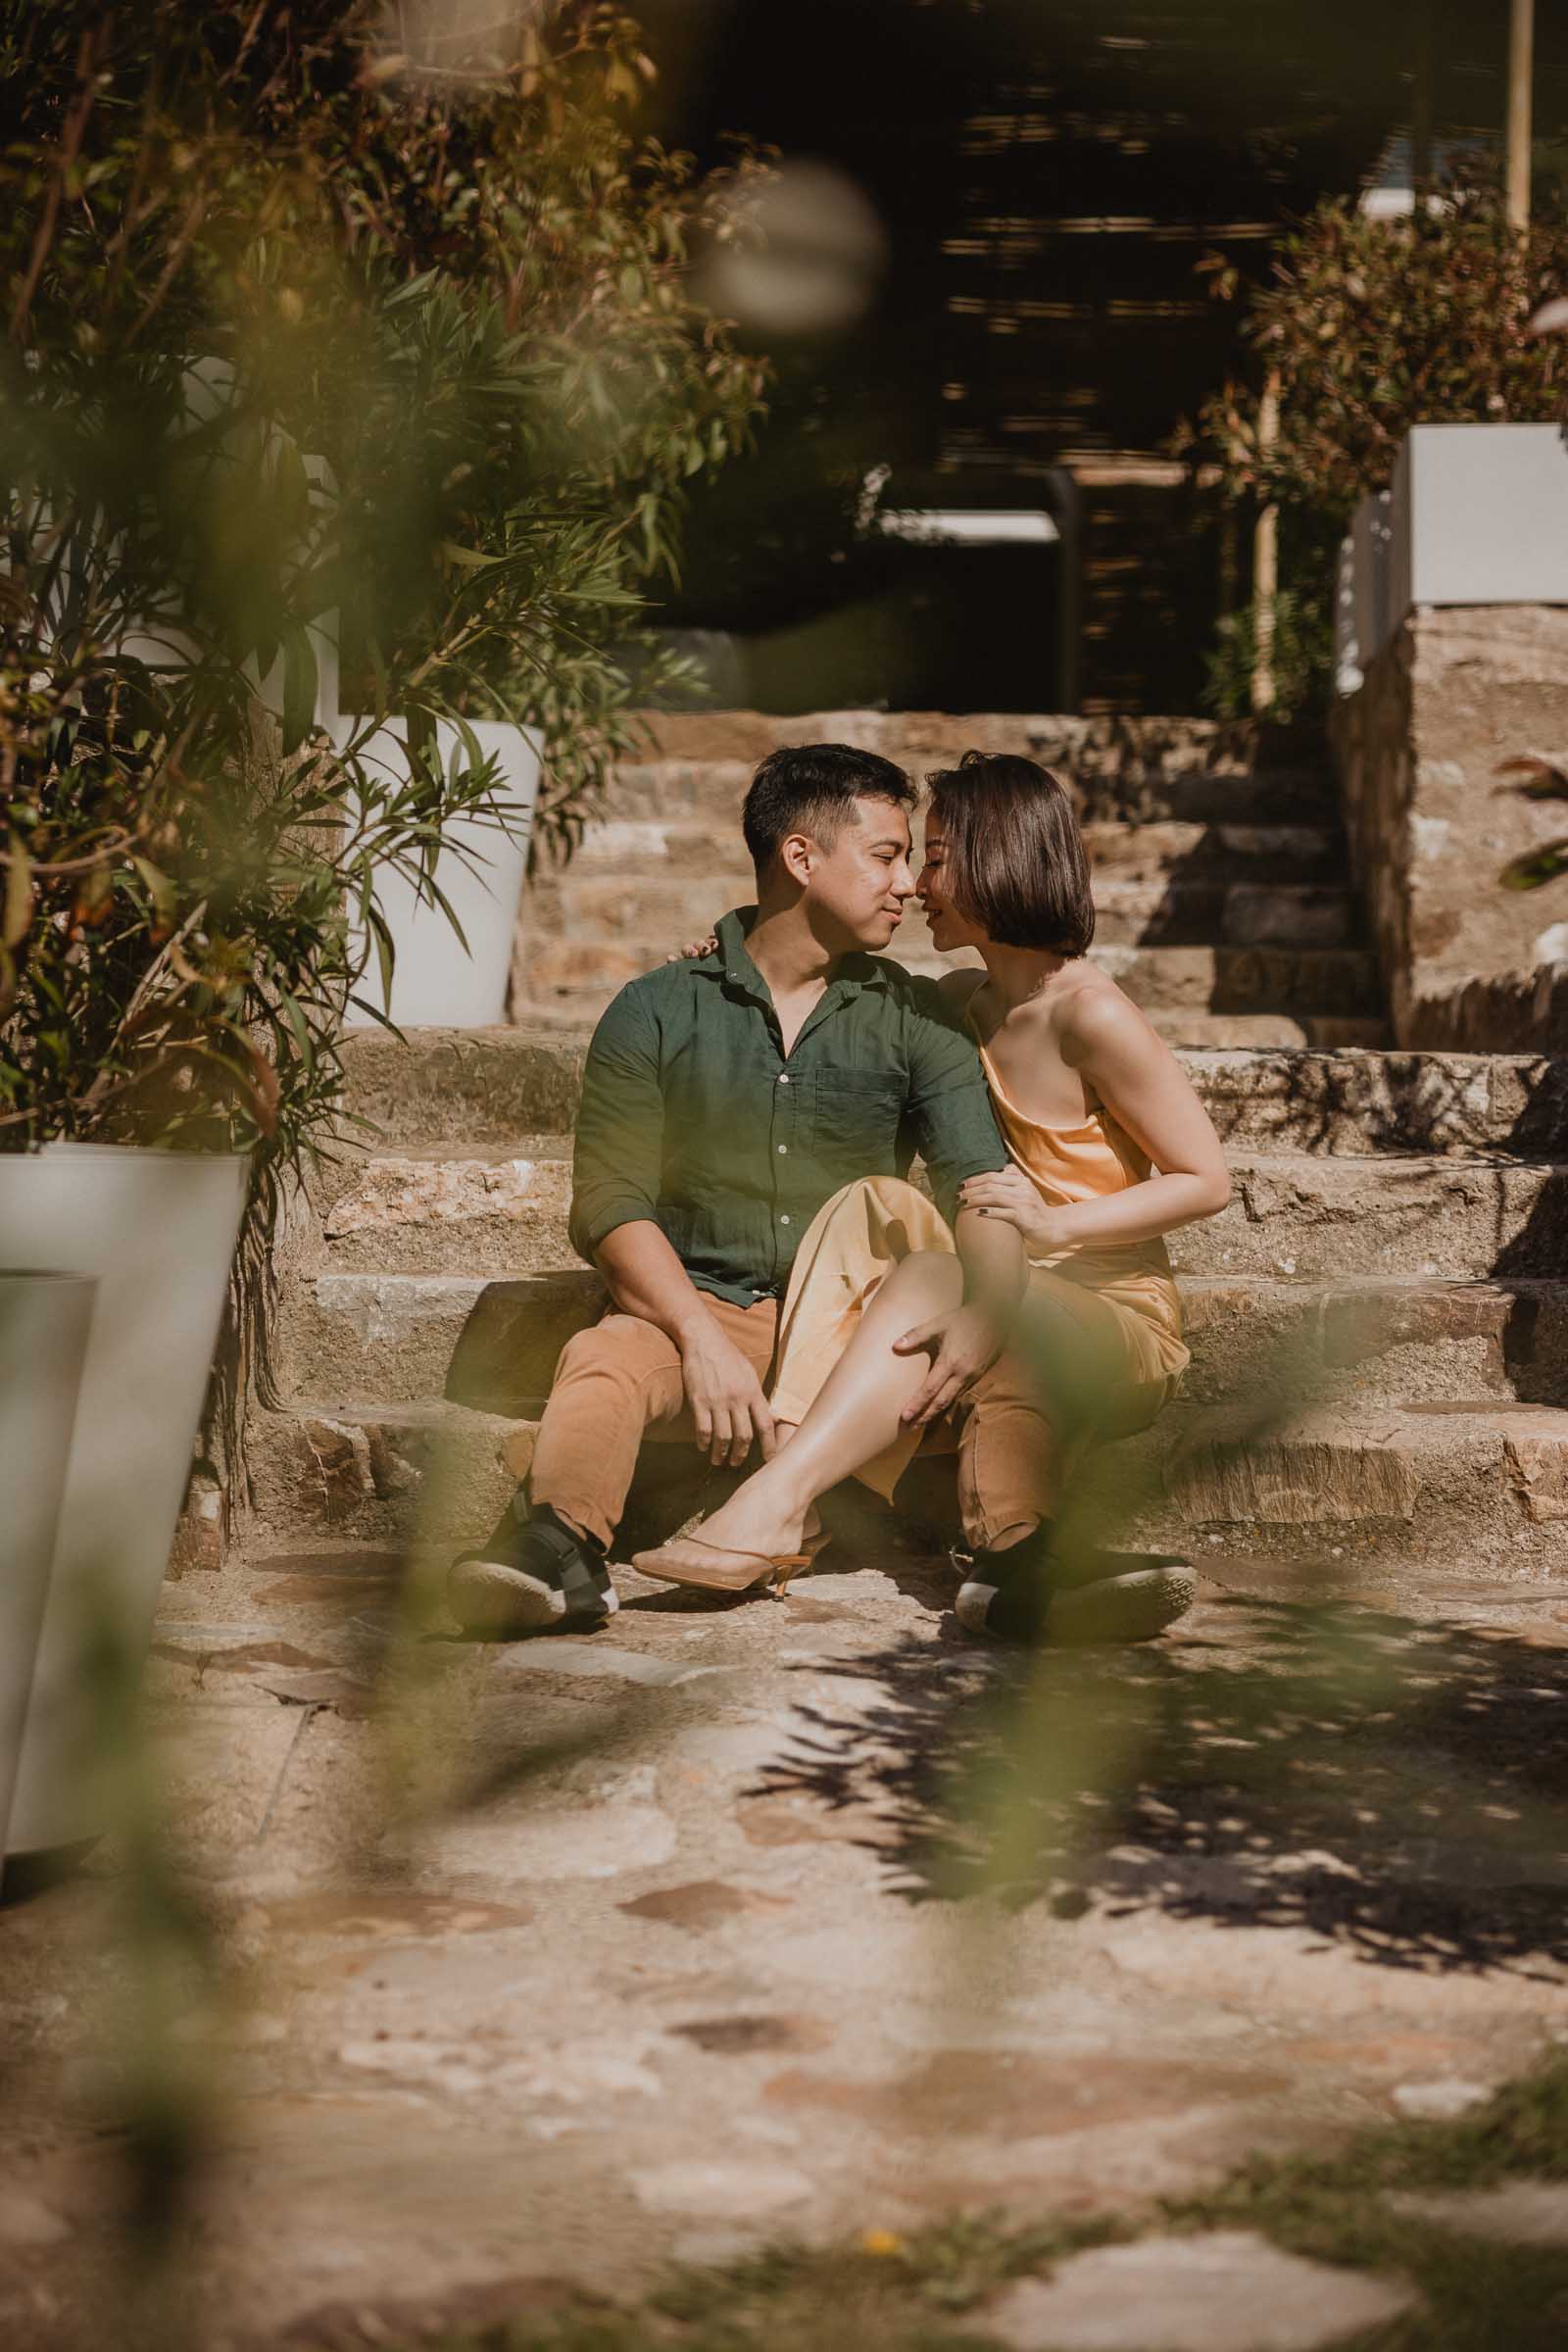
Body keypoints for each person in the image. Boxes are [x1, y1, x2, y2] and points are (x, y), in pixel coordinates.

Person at [632, 751, 1231, 1642]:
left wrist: (1052, 1220)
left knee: (940, 1276)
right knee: (878, 1205)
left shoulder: (1089, 1012)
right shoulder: (959, 1000)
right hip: (1003, 1290)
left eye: (939, 857)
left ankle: (778, 1498)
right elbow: (812, 983)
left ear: (1000, 861)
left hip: (1113, 1313)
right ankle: (968, 1560)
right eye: (909, 859)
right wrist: (728, 960)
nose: (915, 886)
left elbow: (1206, 1180)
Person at [447, 742, 1029, 1634]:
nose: (908, 883)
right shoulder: (657, 1007)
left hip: (858, 1330)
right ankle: (559, 1551)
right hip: (701, 1308)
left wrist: (986, 1300)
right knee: (604, 1356)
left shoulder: (916, 1018)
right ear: (801, 858)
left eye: (910, 858)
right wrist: (697, 1339)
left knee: (1005, 1341)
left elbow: (981, 1187)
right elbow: (610, 1203)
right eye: (885, 855)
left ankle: (1024, 1561)